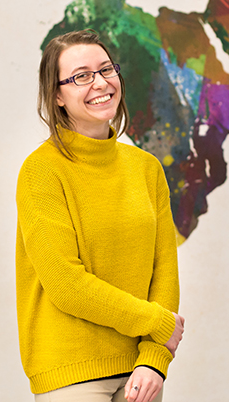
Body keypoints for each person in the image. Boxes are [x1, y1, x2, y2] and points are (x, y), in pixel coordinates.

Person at [15, 30, 185, 402]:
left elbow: (165, 272)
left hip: (141, 373)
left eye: (106, 69)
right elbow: (67, 285)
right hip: (71, 377)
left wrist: (156, 359)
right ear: (57, 95)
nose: (100, 83)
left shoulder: (146, 168)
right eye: (80, 76)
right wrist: (157, 324)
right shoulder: (41, 171)